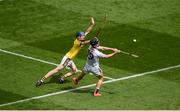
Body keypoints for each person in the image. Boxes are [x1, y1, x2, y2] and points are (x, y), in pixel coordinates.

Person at [36, 17, 95, 87]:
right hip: (67, 58)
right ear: (78, 37)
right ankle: (41, 80)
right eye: (82, 36)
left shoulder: (81, 39)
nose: (83, 36)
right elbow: (85, 43)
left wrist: (92, 24)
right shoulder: (77, 42)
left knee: (75, 71)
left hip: (70, 59)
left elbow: (87, 31)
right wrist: (91, 40)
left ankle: (62, 78)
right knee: (57, 69)